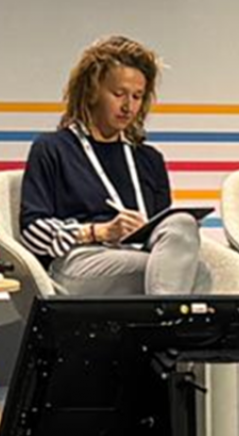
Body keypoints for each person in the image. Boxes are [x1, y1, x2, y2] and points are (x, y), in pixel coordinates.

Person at [19, 34, 214, 295]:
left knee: (182, 223)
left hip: (139, 252)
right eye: (118, 94)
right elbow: (32, 231)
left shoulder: (149, 159)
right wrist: (99, 231)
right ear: (91, 92)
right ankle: (167, 330)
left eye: (137, 96)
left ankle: (162, 325)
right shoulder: (53, 149)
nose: (128, 106)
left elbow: (163, 232)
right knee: (194, 274)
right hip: (81, 260)